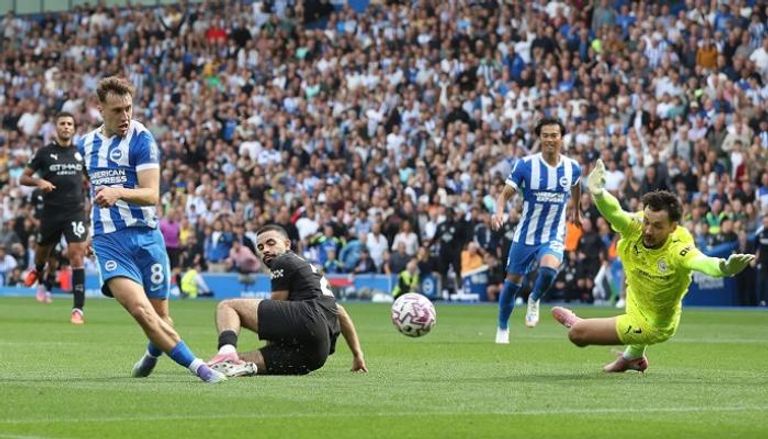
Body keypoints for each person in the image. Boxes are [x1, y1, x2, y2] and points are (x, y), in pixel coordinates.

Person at [77, 76, 224, 383]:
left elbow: (151, 194)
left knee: (161, 318)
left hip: (146, 237)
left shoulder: (142, 139)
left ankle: (153, 352)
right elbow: (73, 188)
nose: (125, 116)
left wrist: (118, 191)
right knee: (141, 312)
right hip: (110, 241)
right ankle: (202, 369)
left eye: (128, 108)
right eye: (117, 110)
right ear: (99, 109)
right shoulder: (85, 145)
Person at [551, 159, 754, 373]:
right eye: (647, 221)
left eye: (657, 226)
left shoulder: (679, 247)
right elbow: (616, 213)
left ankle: (578, 323)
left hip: (653, 324)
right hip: (635, 298)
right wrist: (598, 193)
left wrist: (724, 268)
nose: (648, 230)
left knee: (577, 335)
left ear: (673, 227)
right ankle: (632, 357)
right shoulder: (638, 226)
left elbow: (700, 261)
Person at [207, 224, 367, 376]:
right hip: (317, 354)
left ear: (287, 244)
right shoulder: (309, 270)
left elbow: (277, 305)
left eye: (270, 243)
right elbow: (340, 311)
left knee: (227, 306)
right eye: (261, 248)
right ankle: (229, 360)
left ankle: (226, 350)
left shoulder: (283, 261)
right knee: (235, 363)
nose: (265, 250)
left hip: (307, 320)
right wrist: (357, 355)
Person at [490, 117, 582, 343]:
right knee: (512, 283)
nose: (550, 139)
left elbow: (577, 186)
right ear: (539, 138)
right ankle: (503, 328)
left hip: (553, 234)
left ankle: (534, 299)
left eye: (554, 135)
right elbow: (504, 194)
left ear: (561, 138)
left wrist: (576, 210)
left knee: (549, 270)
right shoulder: (525, 165)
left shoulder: (572, 167)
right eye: (545, 135)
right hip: (526, 235)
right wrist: (499, 212)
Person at [20, 111, 89, 324]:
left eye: (70, 123)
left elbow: (91, 179)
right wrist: (39, 183)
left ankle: (78, 309)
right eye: (62, 123)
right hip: (51, 212)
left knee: (76, 254)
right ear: (56, 127)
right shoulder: (44, 153)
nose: (66, 126)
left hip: (74, 211)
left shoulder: (80, 153)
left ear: (74, 128)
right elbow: (24, 177)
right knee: (43, 254)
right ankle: (38, 270)